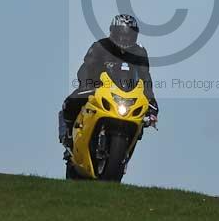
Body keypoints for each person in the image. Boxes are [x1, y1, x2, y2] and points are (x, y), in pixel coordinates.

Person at [60, 14, 159, 148]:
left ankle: (124, 154)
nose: (125, 38)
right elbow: (86, 68)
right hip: (100, 89)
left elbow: (145, 77)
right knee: (71, 102)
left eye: (129, 35)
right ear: (113, 32)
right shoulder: (101, 46)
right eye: (121, 34)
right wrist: (88, 85)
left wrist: (151, 102)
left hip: (128, 95)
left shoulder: (139, 52)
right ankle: (69, 134)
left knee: (141, 120)